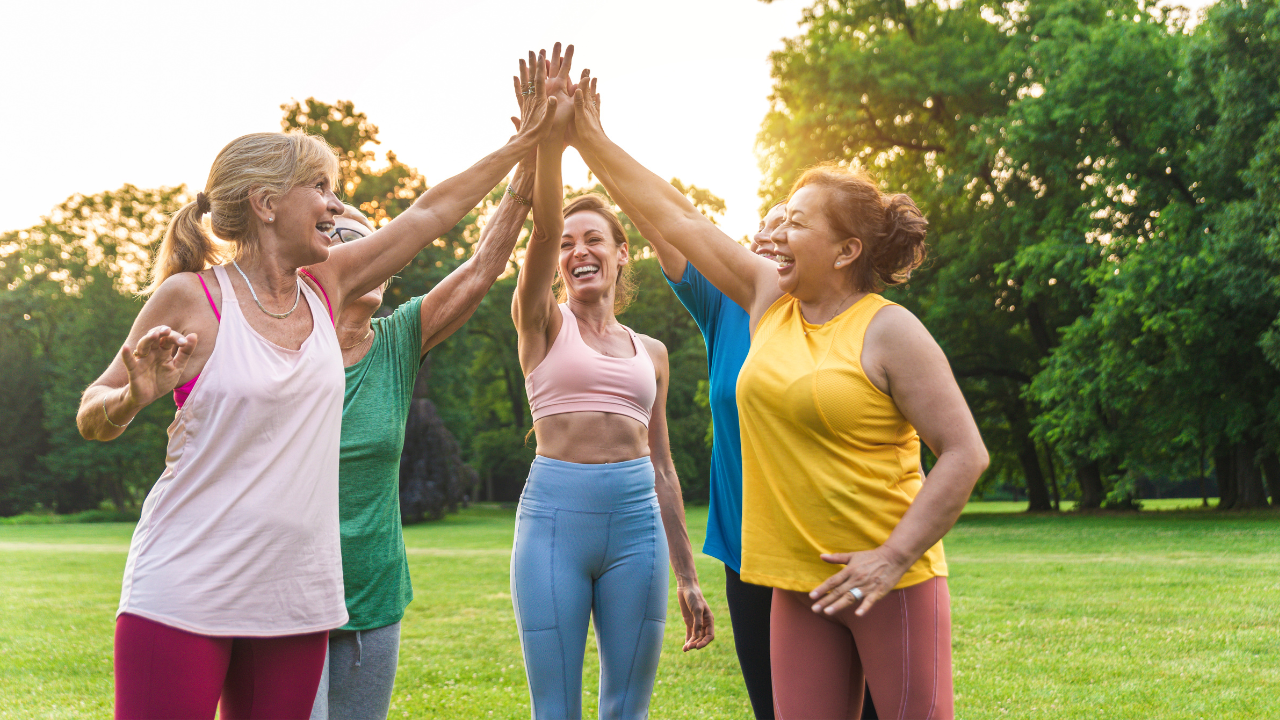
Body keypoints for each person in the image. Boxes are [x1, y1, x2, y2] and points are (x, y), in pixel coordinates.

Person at [77, 66, 556, 720]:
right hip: (185, 590)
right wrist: (131, 398)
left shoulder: (328, 287)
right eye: (321, 189)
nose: (335, 206)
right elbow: (92, 416)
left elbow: (432, 213)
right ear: (267, 203)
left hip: (295, 600)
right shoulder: (192, 298)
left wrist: (520, 145)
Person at [569, 74, 988, 720]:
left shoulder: (890, 330)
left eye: (796, 223)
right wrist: (592, 140)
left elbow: (964, 453)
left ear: (847, 250)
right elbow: (676, 216)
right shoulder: (765, 299)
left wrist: (893, 557)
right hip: (792, 583)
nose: (774, 236)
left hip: (888, 585)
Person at [508, 45, 713, 720]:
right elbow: (537, 233)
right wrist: (549, 142)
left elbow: (663, 467)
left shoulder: (650, 352)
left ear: (623, 253)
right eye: (568, 243)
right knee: (555, 709)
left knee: (628, 709)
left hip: (637, 530)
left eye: (593, 238)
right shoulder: (539, 321)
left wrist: (687, 575)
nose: (577, 251)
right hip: (554, 523)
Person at [310, 157, 533, 720]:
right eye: (340, 240)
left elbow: (484, 266)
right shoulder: (280, 344)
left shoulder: (398, 340)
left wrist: (528, 168)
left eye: (370, 245)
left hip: (375, 598)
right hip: (288, 599)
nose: (359, 253)